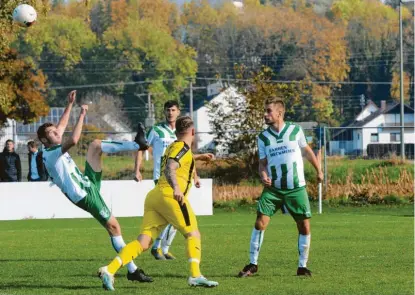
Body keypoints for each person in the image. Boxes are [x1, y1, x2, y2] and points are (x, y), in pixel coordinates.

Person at [37, 90, 152, 283]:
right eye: (54, 133)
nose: (58, 132)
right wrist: (82, 115)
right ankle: (132, 270)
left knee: (96, 145)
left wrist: (70, 104)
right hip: (83, 193)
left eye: (57, 131)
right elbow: (73, 140)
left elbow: (62, 125)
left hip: (86, 182)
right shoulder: (49, 154)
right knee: (114, 226)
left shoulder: (51, 144)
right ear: (44, 140)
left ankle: (137, 145)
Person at [99, 116, 219, 291]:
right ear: (193, 132)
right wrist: (177, 188)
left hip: (155, 197)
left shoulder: (174, 145)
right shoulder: (181, 149)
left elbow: (180, 158)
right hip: (170, 196)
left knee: (144, 242)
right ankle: (195, 275)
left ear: (176, 132)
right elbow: (170, 167)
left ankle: (109, 270)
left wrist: (199, 156)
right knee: (193, 234)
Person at [237, 97, 323, 278]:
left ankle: (302, 266)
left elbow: (307, 151)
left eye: (268, 111)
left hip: (296, 188)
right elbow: (262, 163)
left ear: (279, 113)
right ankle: (253, 264)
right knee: (260, 222)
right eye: (265, 111)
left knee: (304, 226)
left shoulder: (295, 130)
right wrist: (263, 174)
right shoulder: (263, 137)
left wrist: (319, 170)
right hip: (273, 189)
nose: (265, 114)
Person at [135, 100, 181, 260]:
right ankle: (158, 248)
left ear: (178, 112)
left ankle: (162, 248)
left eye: (173, 110)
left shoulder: (181, 132)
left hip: (178, 178)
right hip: (160, 178)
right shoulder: (156, 130)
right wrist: (137, 169)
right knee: (174, 212)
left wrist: (194, 175)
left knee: (172, 215)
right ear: (164, 112)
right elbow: (141, 146)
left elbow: (187, 154)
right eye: (168, 110)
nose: (170, 113)